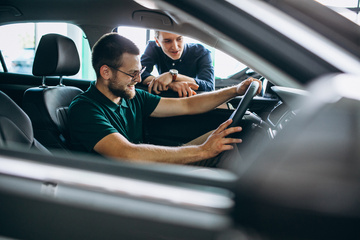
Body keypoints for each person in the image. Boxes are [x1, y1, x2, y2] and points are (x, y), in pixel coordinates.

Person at [68, 33, 261, 166]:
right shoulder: (85, 109)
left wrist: (235, 90)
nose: (138, 79)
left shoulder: (131, 97)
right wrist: (203, 150)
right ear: (106, 72)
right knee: (220, 148)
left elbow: (188, 104)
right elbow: (127, 153)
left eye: (140, 72)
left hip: (149, 167)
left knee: (227, 138)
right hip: (128, 181)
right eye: (132, 74)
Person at [140, 31, 215, 97]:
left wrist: (173, 76)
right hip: (164, 100)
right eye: (167, 41)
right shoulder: (153, 47)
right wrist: (170, 85)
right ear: (157, 41)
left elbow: (209, 86)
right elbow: (139, 74)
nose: (175, 47)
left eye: (179, 39)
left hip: (192, 100)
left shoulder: (201, 52)